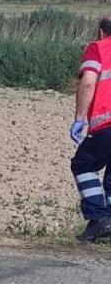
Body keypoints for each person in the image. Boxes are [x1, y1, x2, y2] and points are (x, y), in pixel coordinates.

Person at [70, 16, 111, 242]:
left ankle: (98, 218)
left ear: (102, 32)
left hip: (106, 124)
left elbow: (88, 82)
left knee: (83, 165)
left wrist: (79, 118)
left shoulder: (98, 49)